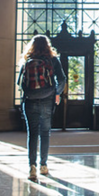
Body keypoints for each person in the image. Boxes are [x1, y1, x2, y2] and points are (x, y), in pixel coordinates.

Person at [17, 35, 66, 180]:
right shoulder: (52, 60)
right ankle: (43, 165)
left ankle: (32, 166)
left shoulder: (27, 60)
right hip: (47, 99)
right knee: (45, 133)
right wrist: (57, 92)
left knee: (32, 133)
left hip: (30, 100)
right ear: (47, 45)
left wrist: (29, 91)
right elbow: (62, 78)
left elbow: (19, 82)